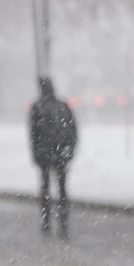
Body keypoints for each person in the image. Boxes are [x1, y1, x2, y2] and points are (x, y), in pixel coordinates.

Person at [29, 77, 77, 238]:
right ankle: (63, 222)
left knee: (45, 189)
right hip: (61, 154)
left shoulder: (38, 108)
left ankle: (46, 221)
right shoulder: (63, 106)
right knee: (62, 189)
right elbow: (73, 130)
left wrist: (36, 154)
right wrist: (69, 151)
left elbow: (33, 135)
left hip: (45, 155)